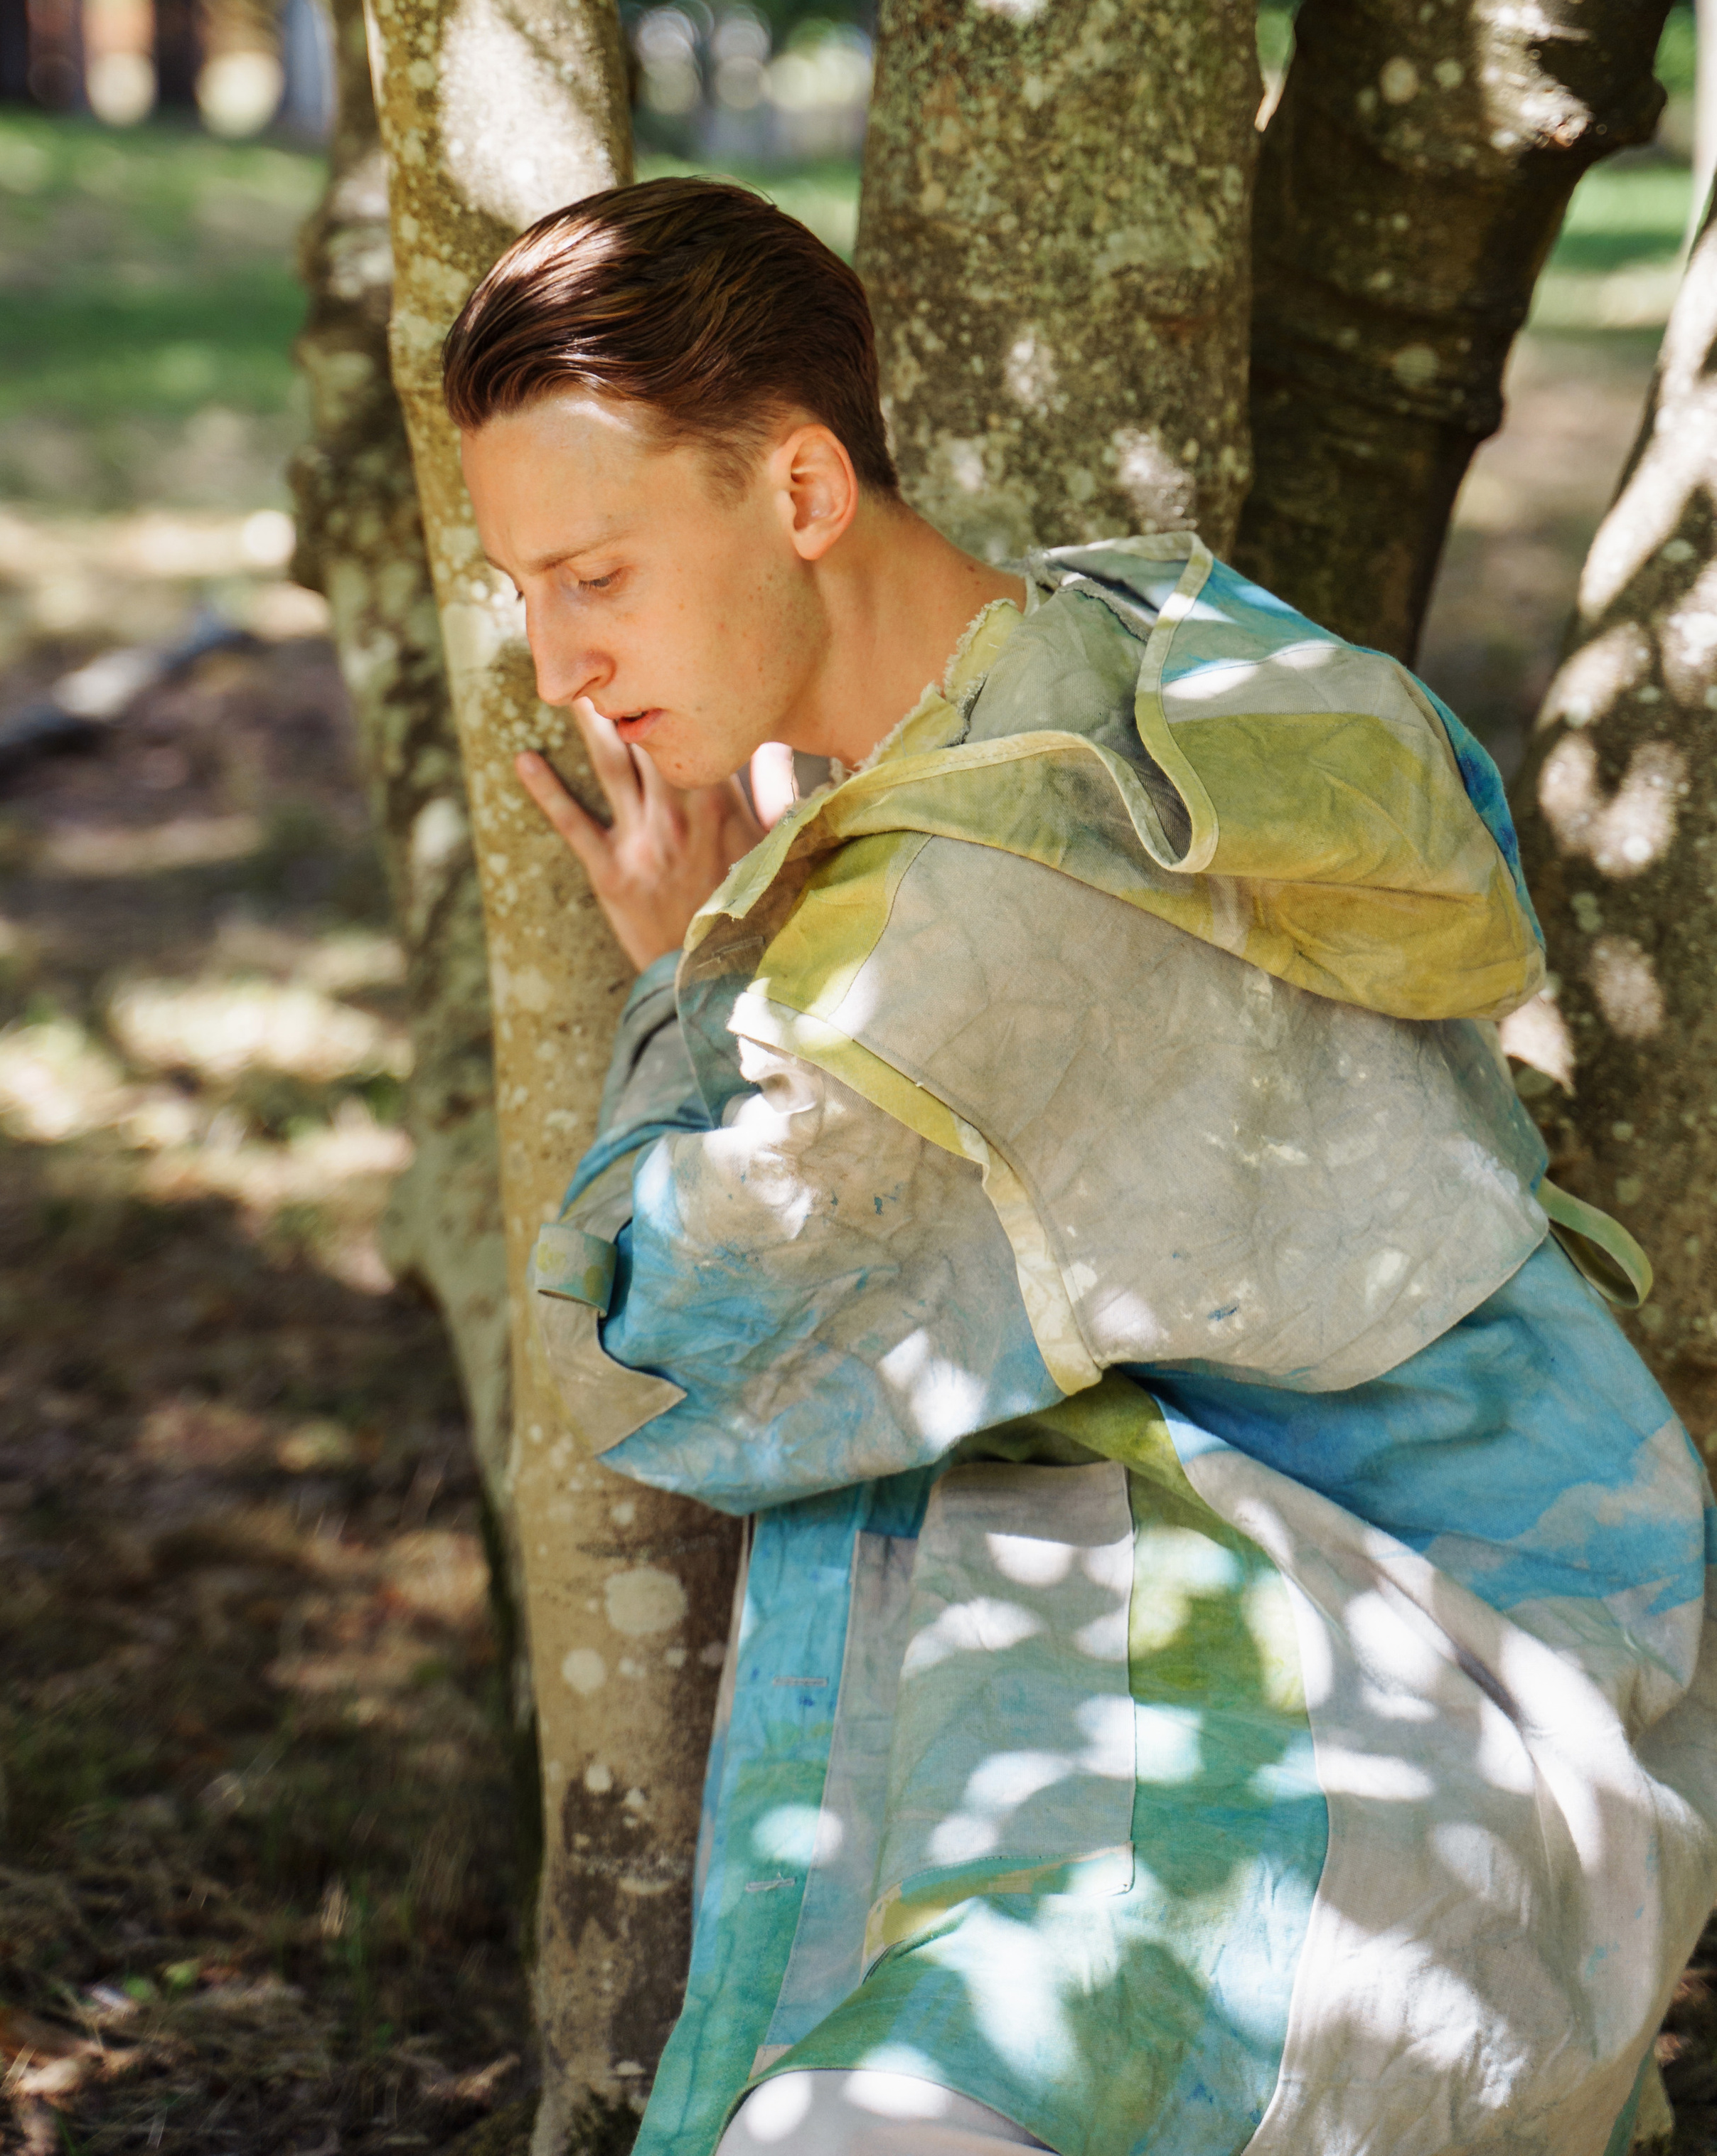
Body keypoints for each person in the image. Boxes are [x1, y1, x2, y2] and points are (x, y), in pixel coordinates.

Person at [444, 176, 1716, 2156]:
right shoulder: (1153, 634)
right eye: (520, 589)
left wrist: (698, 981)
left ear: (800, 493)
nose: (553, 667)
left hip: (1327, 1747)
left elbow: (655, 1351)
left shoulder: (915, 972)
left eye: (592, 574)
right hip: (1567, 1584)